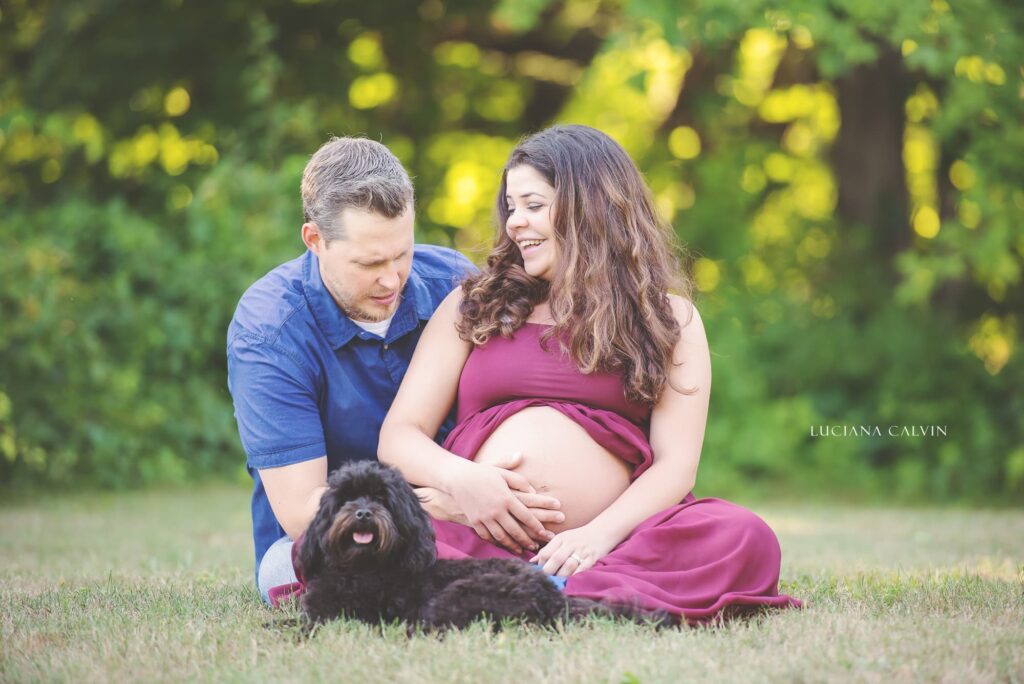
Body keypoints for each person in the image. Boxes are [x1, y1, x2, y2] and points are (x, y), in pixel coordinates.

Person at [379, 124, 802, 622]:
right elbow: (400, 436)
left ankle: (546, 587)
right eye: (511, 207)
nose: (515, 223)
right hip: (475, 524)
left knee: (744, 538)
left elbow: (675, 466)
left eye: (533, 206)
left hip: (613, 542)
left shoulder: (669, 319)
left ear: (590, 206)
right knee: (372, 535)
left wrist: (595, 535)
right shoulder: (473, 305)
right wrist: (466, 482)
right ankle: (550, 591)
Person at [226, 137, 561, 605]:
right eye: (368, 263)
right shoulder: (270, 331)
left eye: (402, 253)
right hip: (345, 545)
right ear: (315, 240)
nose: (392, 279)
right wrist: (449, 500)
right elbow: (303, 512)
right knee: (288, 571)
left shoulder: (452, 284)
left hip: (474, 526)